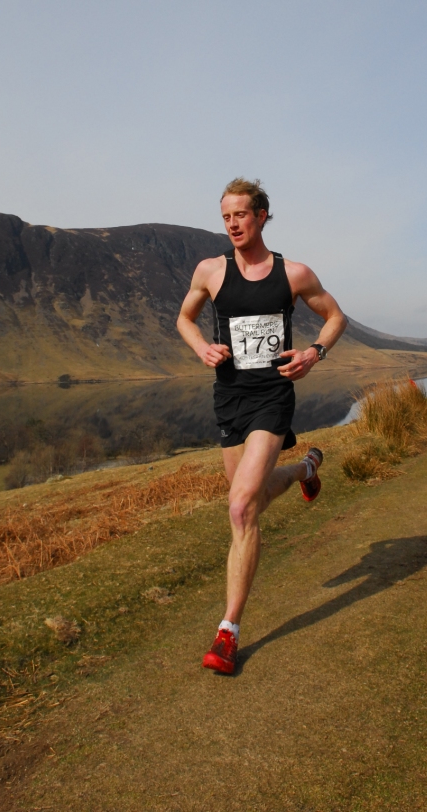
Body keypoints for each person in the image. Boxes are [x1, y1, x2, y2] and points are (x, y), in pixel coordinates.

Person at [177, 177, 347, 674]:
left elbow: (336, 317)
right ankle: (304, 470)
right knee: (249, 498)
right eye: (225, 217)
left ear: (262, 216)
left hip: (272, 397)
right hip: (229, 398)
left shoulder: (293, 274)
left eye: (240, 215)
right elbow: (184, 319)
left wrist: (314, 353)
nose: (232, 224)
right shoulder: (210, 271)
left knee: (240, 507)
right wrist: (201, 347)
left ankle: (228, 632)